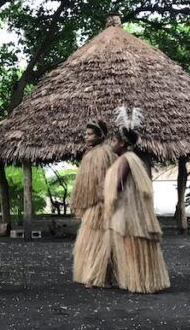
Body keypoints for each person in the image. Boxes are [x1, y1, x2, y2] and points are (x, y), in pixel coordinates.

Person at [104, 106, 170, 294]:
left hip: (127, 210)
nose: (112, 144)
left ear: (123, 144)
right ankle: (136, 279)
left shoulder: (126, 159)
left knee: (129, 244)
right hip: (128, 209)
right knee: (129, 245)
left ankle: (138, 281)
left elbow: (118, 185)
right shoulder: (129, 158)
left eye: (115, 141)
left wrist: (106, 193)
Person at [70, 120, 118, 288]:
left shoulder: (104, 154)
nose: (86, 137)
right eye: (86, 134)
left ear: (100, 136)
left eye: (90, 134)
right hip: (93, 206)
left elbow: (105, 180)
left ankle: (99, 276)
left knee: (100, 242)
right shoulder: (91, 154)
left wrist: (103, 200)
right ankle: (92, 275)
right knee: (90, 242)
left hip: (101, 206)